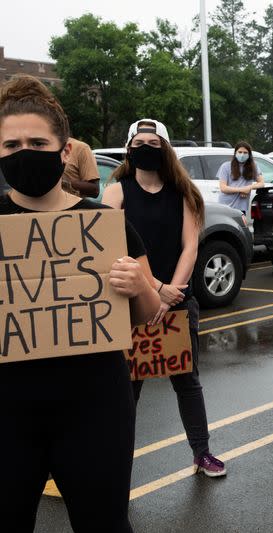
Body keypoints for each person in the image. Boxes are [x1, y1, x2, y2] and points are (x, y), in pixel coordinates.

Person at [0, 75, 160, 532]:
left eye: (36, 141)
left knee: (104, 523)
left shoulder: (104, 224)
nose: (23, 152)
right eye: (10, 145)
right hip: (7, 411)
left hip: (95, 406)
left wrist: (139, 286)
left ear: (64, 150)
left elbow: (148, 315)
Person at [102, 118, 227, 477]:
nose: (146, 148)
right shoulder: (118, 191)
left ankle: (202, 452)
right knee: (128, 387)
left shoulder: (182, 191)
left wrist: (172, 293)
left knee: (187, 380)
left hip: (177, 301)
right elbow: (113, 247)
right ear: (129, 148)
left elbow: (190, 246)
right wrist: (154, 289)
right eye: (139, 142)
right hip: (133, 303)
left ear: (166, 149)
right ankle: (114, 461)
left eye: (153, 143)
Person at [216, 141, 264, 213]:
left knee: (240, 224)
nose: (242, 155)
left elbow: (261, 183)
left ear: (249, 154)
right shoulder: (225, 166)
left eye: (245, 153)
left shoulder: (253, 166)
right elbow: (223, 188)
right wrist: (242, 190)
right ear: (235, 153)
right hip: (225, 205)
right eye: (240, 152)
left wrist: (248, 187)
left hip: (241, 207)